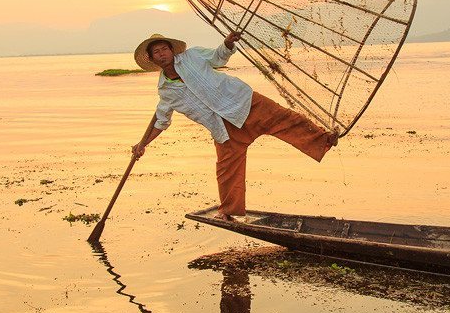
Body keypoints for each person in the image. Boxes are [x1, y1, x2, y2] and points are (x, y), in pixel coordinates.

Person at [131, 32, 337, 221]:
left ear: (172, 50)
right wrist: (142, 144)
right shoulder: (165, 91)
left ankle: (325, 139)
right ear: (152, 59)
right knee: (226, 170)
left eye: (164, 49)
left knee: (286, 119)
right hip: (222, 127)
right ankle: (229, 211)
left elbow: (217, 57)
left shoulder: (192, 57)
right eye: (156, 52)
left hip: (242, 102)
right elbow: (161, 121)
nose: (162, 54)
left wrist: (228, 43)